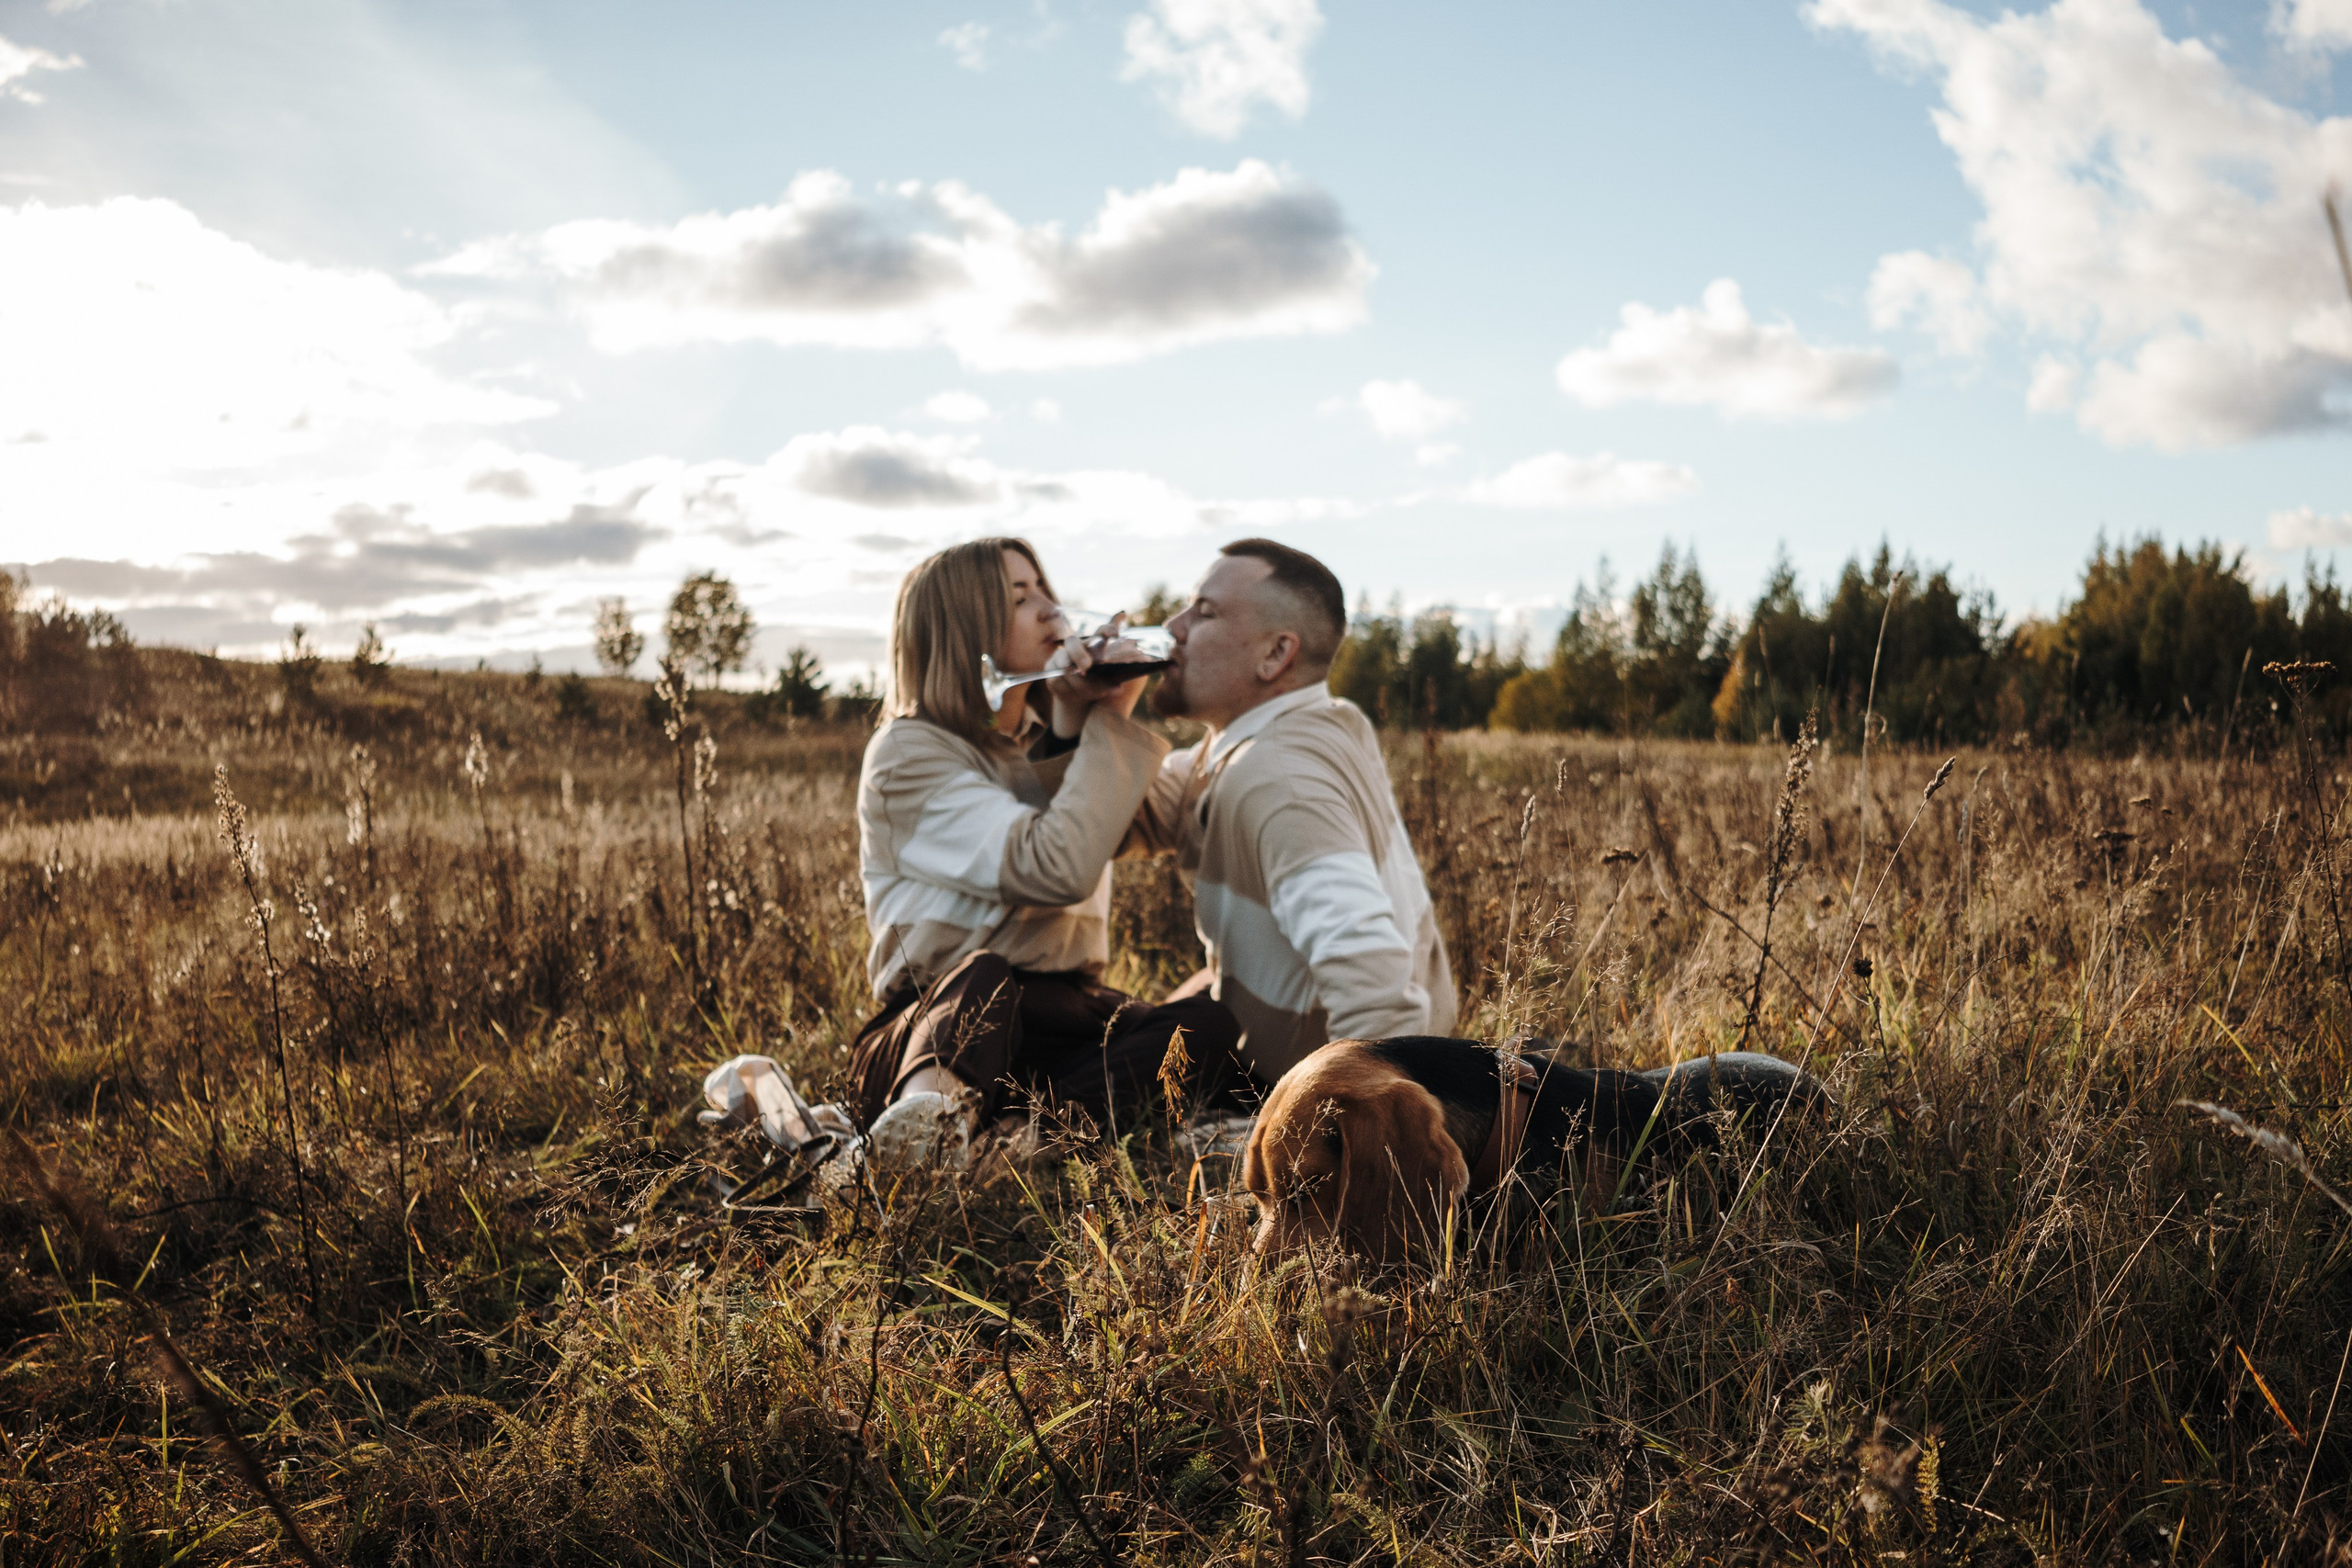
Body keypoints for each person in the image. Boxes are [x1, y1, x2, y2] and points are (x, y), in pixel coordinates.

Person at [848, 536, 1246, 1170]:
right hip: (934, 1028)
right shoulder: (910, 752)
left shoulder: (1026, 744)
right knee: (986, 977)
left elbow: (1077, 808)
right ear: (962, 627)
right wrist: (1107, 722)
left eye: (1043, 588)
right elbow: (1053, 864)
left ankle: (1004, 1147)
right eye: (1018, 596)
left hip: (1053, 1024)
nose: (1049, 608)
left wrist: (1079, 715)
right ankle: (925, 1124)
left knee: (1204, 1026)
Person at [1123, 538, 1455, 1087]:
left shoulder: (1280, 779)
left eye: (1203, 613)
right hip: (1289, 1055)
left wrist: (1326, 1134)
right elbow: (1120, 819)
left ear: (1276, 655)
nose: (1173, 628)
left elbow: (1375, 987)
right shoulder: (1292, 731)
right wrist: (1092, 707)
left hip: (1294, 1089)